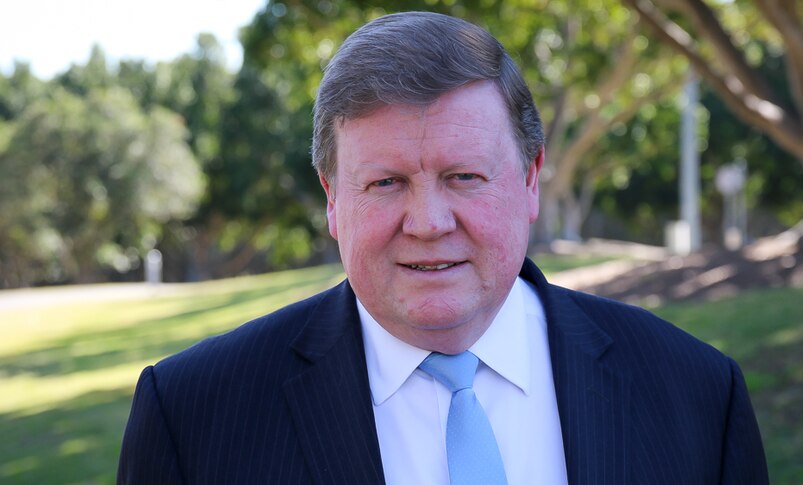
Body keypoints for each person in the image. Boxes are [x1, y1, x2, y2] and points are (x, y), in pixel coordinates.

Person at [118, 11, 769, 485]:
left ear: (531, 178)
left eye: (463, 176)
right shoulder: (193, 417)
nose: (428, 221)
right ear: (332, 198)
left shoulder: (697, 394)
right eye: (386, 182)